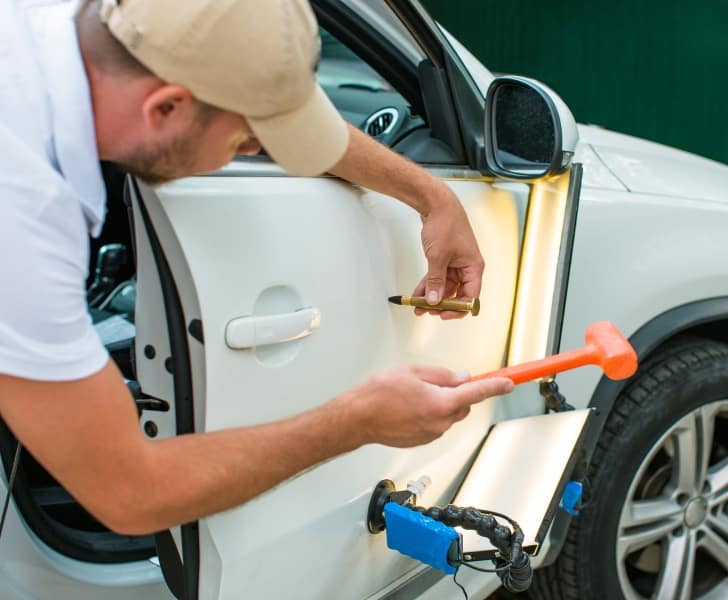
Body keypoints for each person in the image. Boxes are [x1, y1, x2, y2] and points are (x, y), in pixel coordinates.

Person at [0, 0, 513, 535]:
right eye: (247, 143)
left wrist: (432, 197)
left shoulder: (84, 24)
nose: (258, 151)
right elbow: (131, 492)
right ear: (166, 109)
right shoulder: (22, 211)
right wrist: (359, 419)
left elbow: (297, 132)